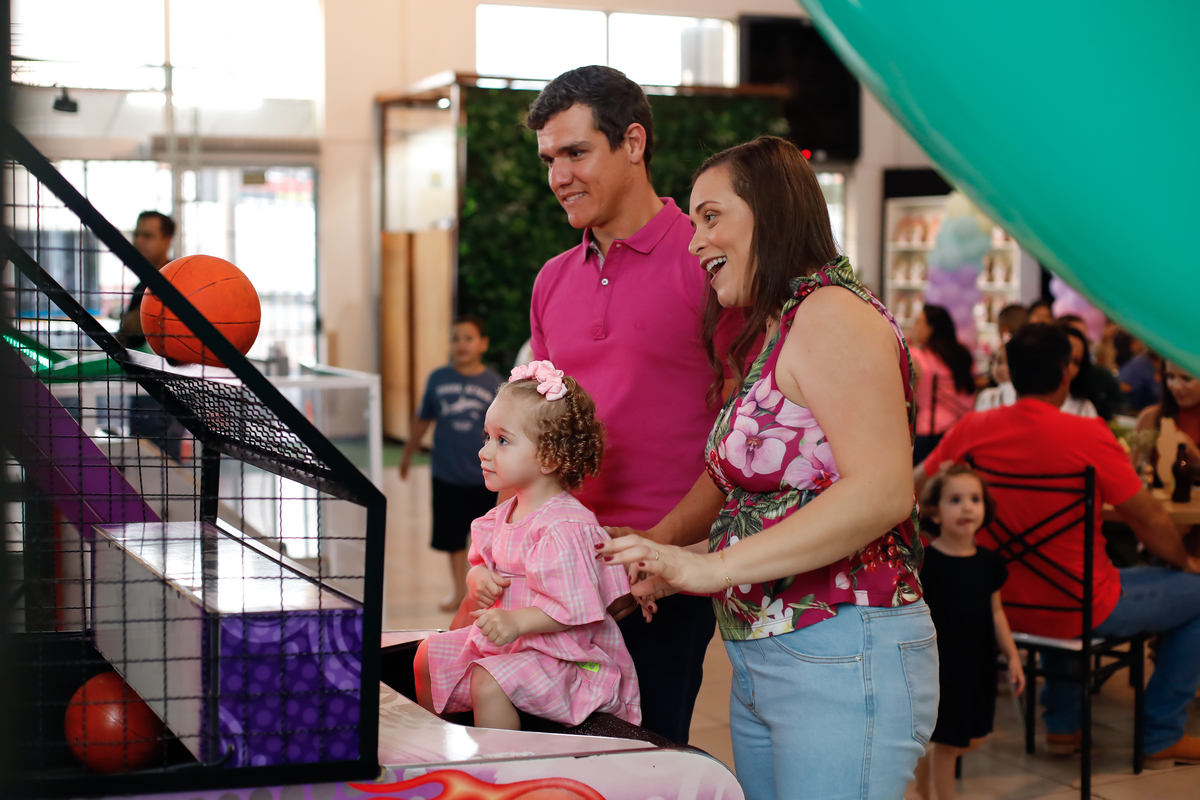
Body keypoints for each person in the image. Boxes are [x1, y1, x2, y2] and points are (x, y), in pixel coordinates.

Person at [598, 136, 935, 799]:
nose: (695, 242)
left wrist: (712, 568)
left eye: (711, 216)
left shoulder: (833, 313)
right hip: (775, 655)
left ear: (772, 212)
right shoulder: (786, 322)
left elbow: (882, 490)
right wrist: (669, 560)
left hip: (840, 648)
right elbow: (769, 502)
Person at [517, 65, 740, 743]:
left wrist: (655, 551)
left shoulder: (708, 263)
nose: (559, 177)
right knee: (548, 768)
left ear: (634, 143)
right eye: (549, 160)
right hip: (558, 572)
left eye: (575, 152)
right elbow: (538, 432)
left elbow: (742, 438)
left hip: (660, 582)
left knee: (641, 765)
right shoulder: (552, 279)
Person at [914, 323, 1200, 767]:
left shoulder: (974, 427)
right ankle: (1161, 733)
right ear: (1067, 372)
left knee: (1062, 574)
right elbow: (1148, 518)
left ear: (1010, 373)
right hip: (1079, 605)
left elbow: (917, 488)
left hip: (996, 603)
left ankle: (1064, 725)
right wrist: (1184, 562)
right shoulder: (1089, 434)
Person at [414, 362, 640, 730]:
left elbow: (573, 609)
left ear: (548, 458)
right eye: (487, 437)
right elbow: (481, 565)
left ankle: (500, 764)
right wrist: (477, 579)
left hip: (564, 658)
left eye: (502, 441)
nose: (484, 451)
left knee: (488, 681)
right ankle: (435, 744)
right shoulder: (502, 516)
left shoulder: (564, 527)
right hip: (514, 646)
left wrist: (516, 621)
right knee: (427, 655)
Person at [912, 465, 1025, 800]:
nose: (967, 507)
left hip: (978, 661)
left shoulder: (990, 562)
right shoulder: (928, 563)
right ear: (934, 511)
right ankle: (935, 793)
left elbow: (997, 612)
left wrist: (1013, 656)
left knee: (974, 736)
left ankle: (923, 781)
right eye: (955, 500)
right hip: (941, 665)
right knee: (950, 740)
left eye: (975, 499)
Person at [401, 317, 503, 612]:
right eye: (455, 338)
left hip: (485, 476)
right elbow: (423, 418)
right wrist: (408, 452)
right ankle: (460, 590)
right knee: (453, 537)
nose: (461, 344)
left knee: (487, 539)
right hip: (446, 473)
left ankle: (486, 591)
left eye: (468, 338)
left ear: (483, 344)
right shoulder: (438, 378)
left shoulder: (494, 383)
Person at [909, 304, 976, 464]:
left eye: (918, 322)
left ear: (931, 328)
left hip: (928, 434)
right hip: (961, 433)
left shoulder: (917, 356)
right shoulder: (962, 355)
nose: (913, 327)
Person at [115, 211, 175, 349]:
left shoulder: (177, 282)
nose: (138, 241)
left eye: (147, 236)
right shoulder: (141, 286)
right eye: (136, 235)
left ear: (167, 240)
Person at [1057, 314, 1122, 420]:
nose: (1070, 368)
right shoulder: (1032, 397)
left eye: (1076, 362)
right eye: (1065, 359)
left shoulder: (1084, 406)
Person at [1118, 342, 1162, 412]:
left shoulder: (1138, 361)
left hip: (1126, 408)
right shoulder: (1144, 365)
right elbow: (1157, 394)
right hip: (1134, 410)